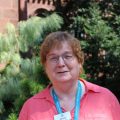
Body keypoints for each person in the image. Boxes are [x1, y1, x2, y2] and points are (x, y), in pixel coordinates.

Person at [19, 31, 120, 120]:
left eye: (67, 56)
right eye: (53, 58)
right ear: (45, 66)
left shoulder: (106, 98)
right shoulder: (31, 108)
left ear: (79, 62)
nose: (61, 64)